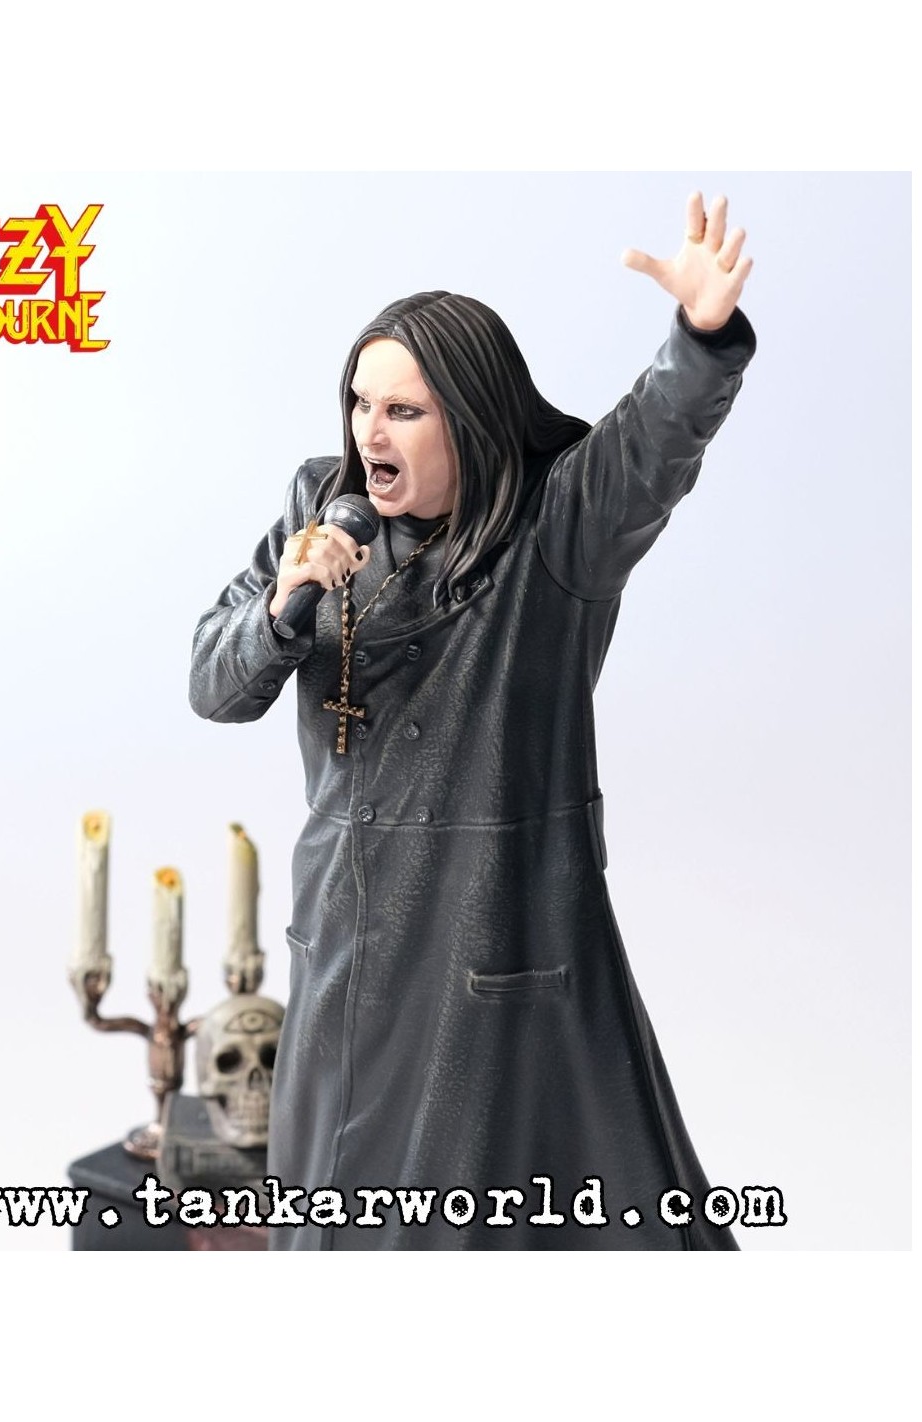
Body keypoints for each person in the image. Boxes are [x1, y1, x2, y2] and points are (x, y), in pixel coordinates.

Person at [190, 193, 756, 1250]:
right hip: (342, 929)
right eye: (360, 403)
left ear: (470, 416)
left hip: (491, 937)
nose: (369, 433)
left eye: (404, 411)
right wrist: (282, 603)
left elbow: (652, 444)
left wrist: (700, 335)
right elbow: (214, 688)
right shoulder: (317, 510)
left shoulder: (557, 526)